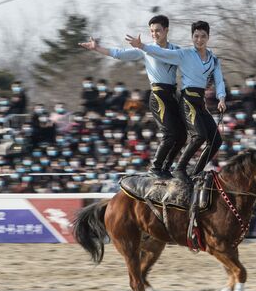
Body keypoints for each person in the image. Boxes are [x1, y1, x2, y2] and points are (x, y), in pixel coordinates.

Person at [79, 15, 186, 179]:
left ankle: (167, 167)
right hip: (158, 95)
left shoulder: (177, 50)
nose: (154, 34)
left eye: (158, 30)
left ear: (166, 30)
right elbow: (119, 53)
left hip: (173, 94)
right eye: (151, 31)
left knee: (182, 134)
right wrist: (97, 48)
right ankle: (155, 168)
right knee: (170, 133)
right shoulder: (144, 49)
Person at [126, 20, 226, 182]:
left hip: (200, 102)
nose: (199, 40)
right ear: (192, 37)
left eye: (203, 36)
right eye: (196, 36)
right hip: (187, 101)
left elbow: (219, 80)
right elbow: (162, 53)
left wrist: (221, 98)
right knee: (199, 136)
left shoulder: (214, 59)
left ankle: (195, 172)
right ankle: (179, 169)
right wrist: (142, 46)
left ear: (208, 37)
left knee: (216, 140)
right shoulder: (184, 54)